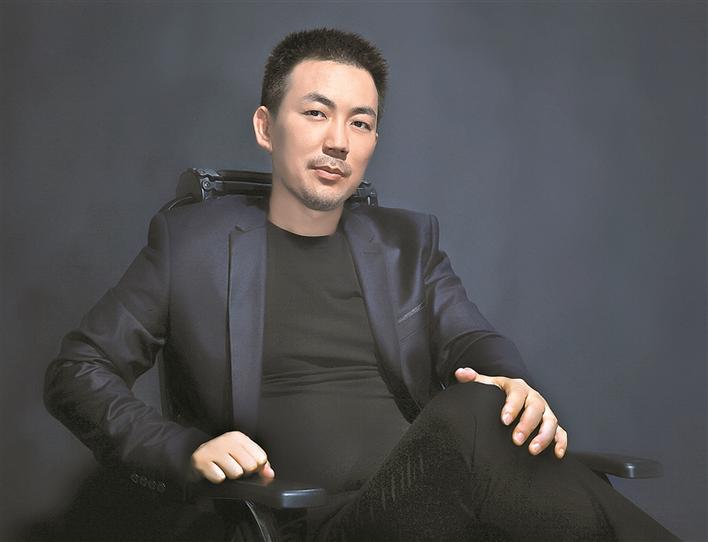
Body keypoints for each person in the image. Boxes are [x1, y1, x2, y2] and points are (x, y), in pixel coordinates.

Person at [45, 28, 678, 541]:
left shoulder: (405, 243)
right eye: (316, 113)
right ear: (266, 127)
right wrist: (185, 449)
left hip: (443, 503)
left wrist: (513, 384)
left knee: (491, 405)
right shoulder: (193, 245)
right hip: (318, 521)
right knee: (473, 412)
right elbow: (77, 372)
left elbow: (472, 339)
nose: (338, 142)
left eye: (361, 123)